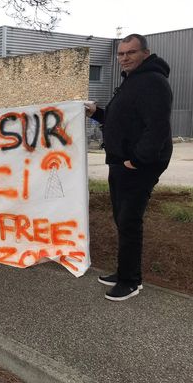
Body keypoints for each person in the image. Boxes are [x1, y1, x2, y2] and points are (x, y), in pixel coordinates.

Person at [86, 33, 173, 301]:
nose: (124, 58)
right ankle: (125, 271)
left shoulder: (153, 82)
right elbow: (119, 120)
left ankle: (131, 281)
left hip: (137, 166)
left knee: (129, 220)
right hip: (121, 163)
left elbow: (156, 128)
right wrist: (97, 113)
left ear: (145, 54)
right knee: (122, 219)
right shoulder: (131, 82)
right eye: (121, 54)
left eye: (130, 53)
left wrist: (137, 160)